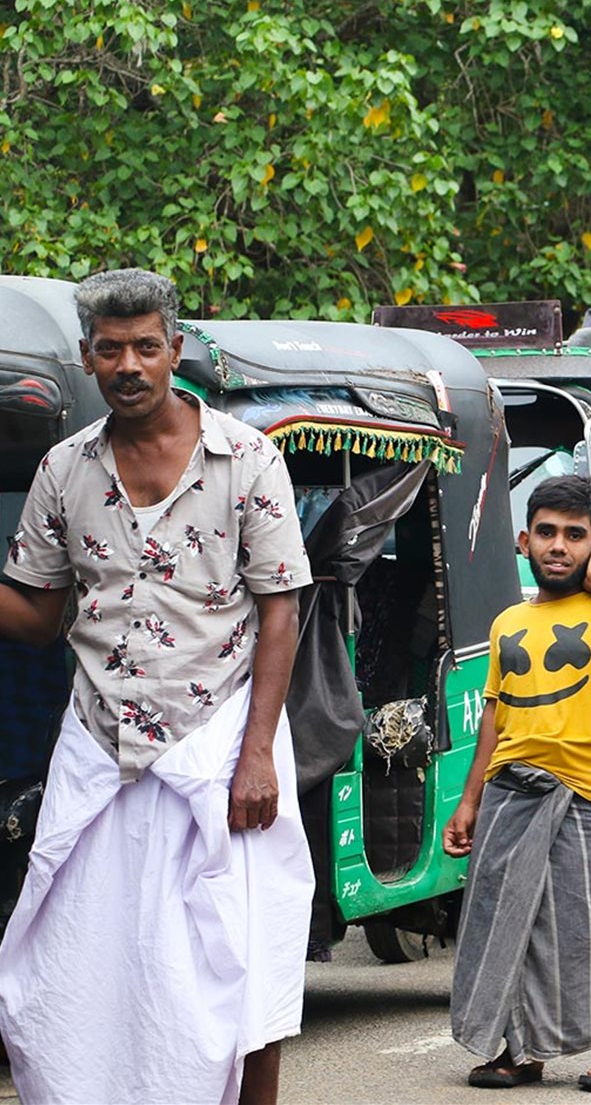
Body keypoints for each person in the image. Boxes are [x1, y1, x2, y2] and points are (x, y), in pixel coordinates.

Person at [0, 269, 314, 1105]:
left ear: (175, 350)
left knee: (241, 965)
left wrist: (257, 760)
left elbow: (281, 614)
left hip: (220, 741)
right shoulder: (65, 470)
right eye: (111, 350)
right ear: (87, 359)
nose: (130, 365)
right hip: (99, 747)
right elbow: (36, 613)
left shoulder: (247, 458)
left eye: (147, 346)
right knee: (71, 963)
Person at [443, 474, 591, 1093]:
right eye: (546, 532)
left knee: (581, 921)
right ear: (524, 540)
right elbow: (495, 714)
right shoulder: (506, 623)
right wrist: (468, 801)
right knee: (506, 920)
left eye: (575, 536)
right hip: (507, 793)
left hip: (585, 791)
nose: (559, 546)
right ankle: (521, 1052)